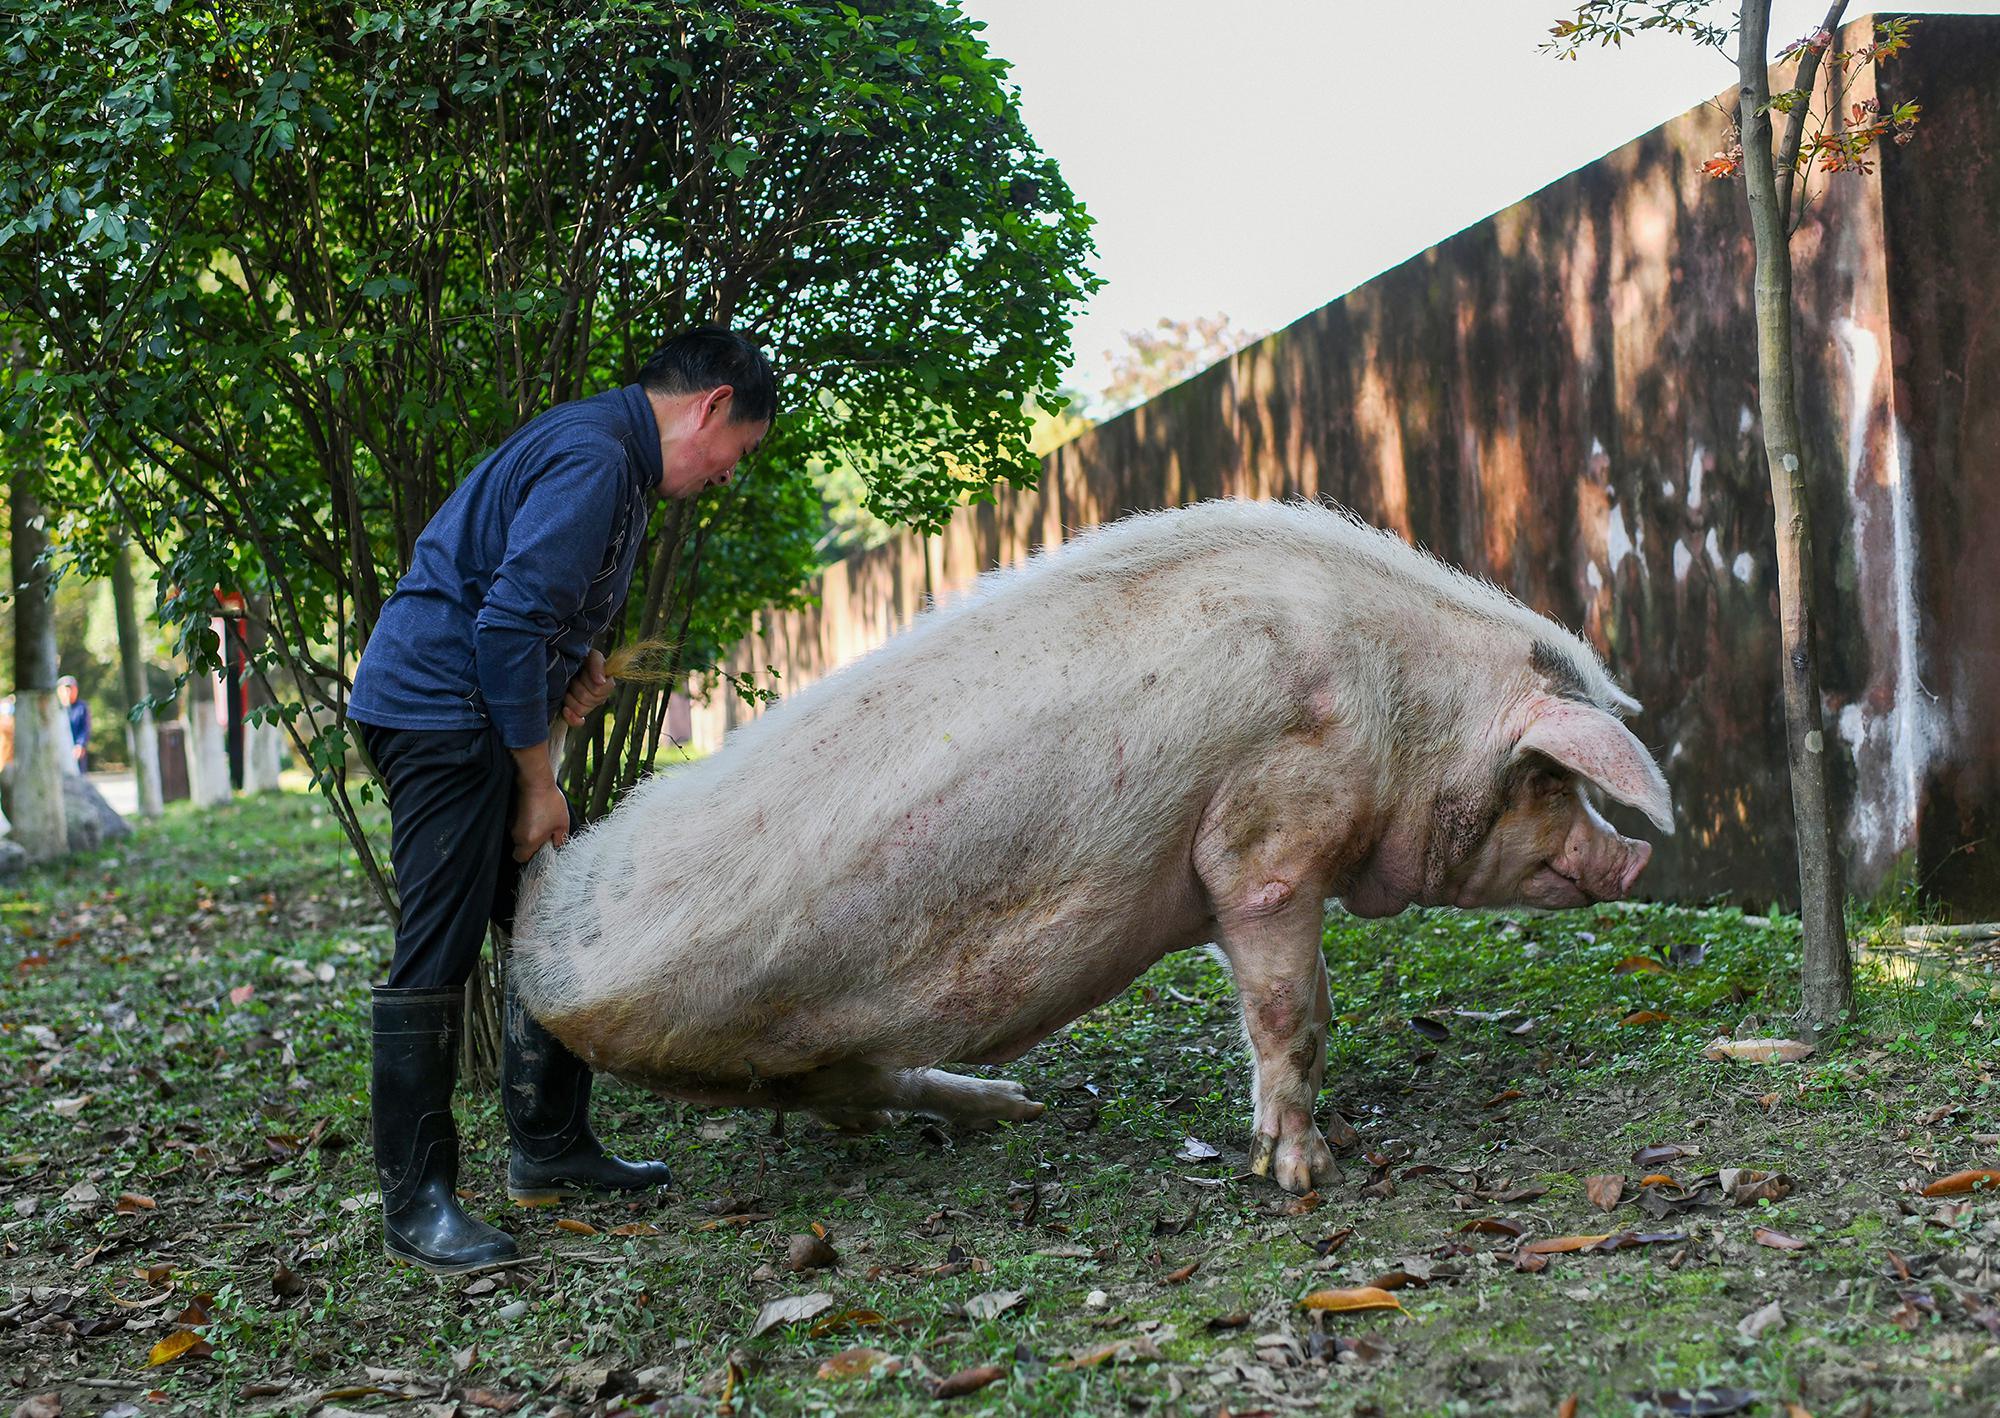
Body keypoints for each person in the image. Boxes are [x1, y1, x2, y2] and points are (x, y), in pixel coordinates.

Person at [347, 328, 776, 1274]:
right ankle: (416, 1203)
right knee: (441, 943)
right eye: (737, 453)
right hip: (437, 714)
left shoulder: (610, 456)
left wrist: (570, 660)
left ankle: (549, 1147)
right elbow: (501, 622)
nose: (726, 477)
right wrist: (539, 785)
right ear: (709, 406)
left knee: (553, 917)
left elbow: (520, 604)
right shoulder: (594, 459)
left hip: (461, 704)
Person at [57, 677, 90, 773]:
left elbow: (85, 728)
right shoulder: (55, 708)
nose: (68, 692)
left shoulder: (81, 707)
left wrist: (80, 745)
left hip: (76, 750)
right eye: (65, 689)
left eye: (71, 689)